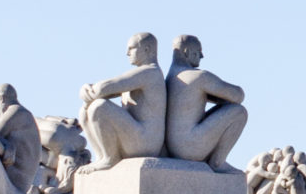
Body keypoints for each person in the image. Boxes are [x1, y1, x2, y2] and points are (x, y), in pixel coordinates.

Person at [81, 33, 168, 168]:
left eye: (131, 48)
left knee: (99, 106)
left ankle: (110, 159)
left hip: (145, 141)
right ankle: (102, 156)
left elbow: (105, 88)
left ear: (146, 49)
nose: (127, 53)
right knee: (85, 110)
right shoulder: (140, 74)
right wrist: (86, 90)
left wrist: (88, 90)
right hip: (135, 134)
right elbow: (105, 89)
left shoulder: (150, 73)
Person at [165, 35, 249, 170]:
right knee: (238, 111)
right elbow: (238, 96)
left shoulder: (171, 77)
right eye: (199, 51)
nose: (202, 56)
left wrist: (212, 97)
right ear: (187, 52)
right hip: (191, 146)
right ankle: (218, 162)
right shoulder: (197, 77)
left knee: (227, 105)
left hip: (173, 147)